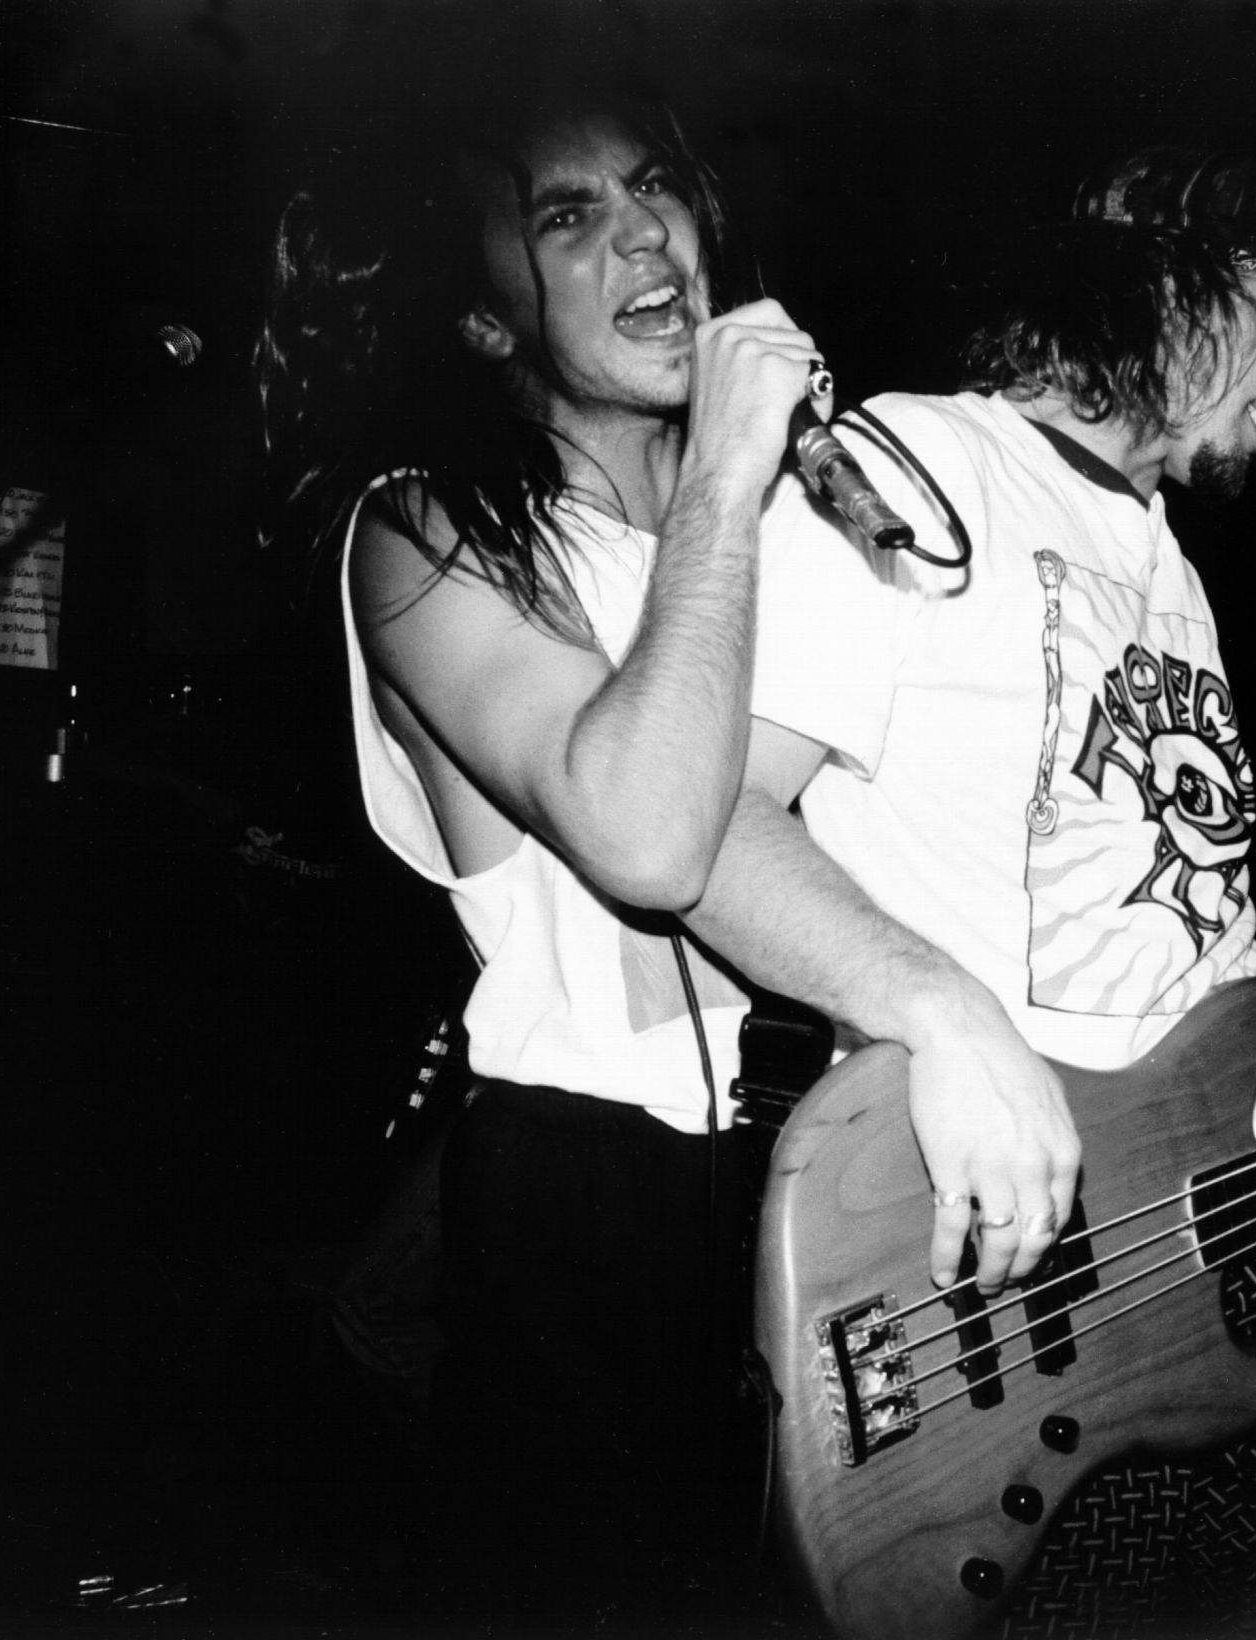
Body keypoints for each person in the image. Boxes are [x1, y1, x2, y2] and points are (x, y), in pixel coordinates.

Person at [671, 146, 1256, 1634]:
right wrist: (950, 1028)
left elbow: (1195, 976)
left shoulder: (1165, 557)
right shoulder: (916, 467)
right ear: (1169, 274)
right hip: (1046, 1301)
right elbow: (706, 832)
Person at [255, 61, 824, 1626]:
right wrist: (724, 465)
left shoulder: (792, 533)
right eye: (573, 214)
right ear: (485, 317)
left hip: (839, 1178)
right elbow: (648, 830)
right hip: (594, 1210)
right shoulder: (426, 532)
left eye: (657, 189)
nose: (646, 239)